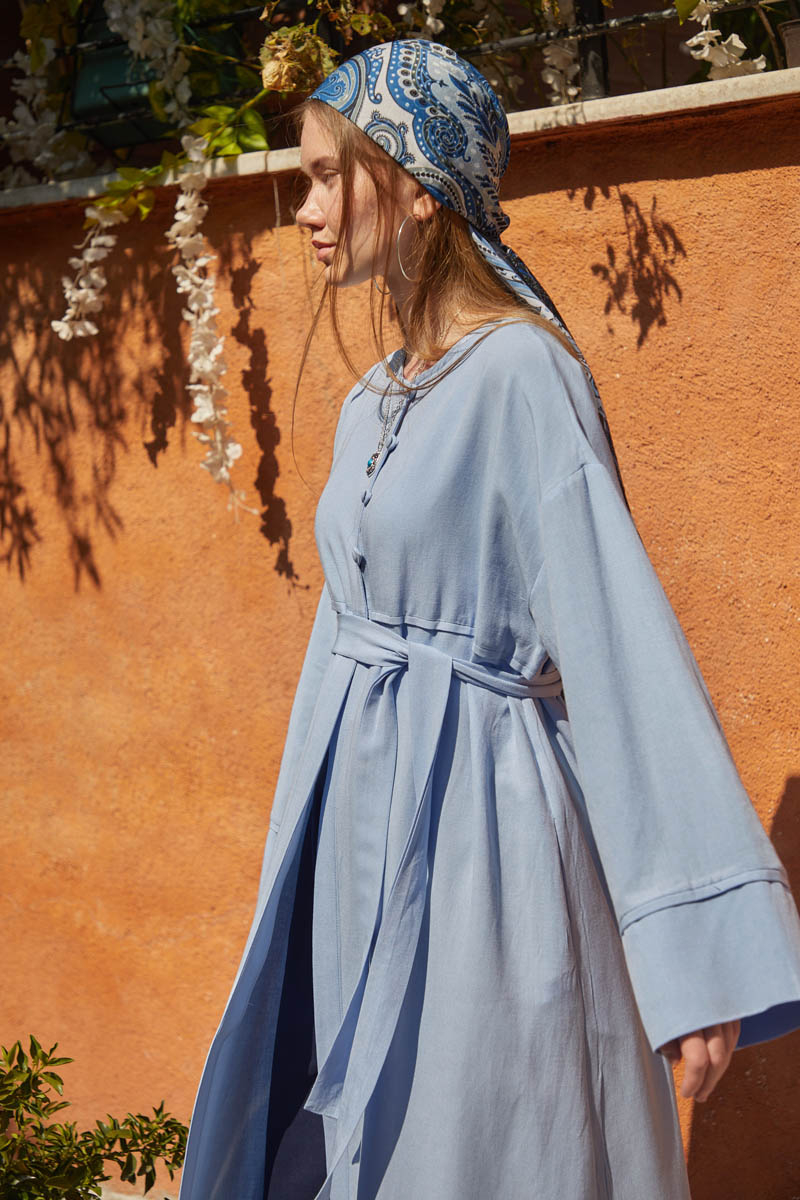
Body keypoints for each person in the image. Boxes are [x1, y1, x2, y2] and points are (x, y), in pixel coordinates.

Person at [179, 39, 800, 1200]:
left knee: (476, 1132)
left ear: (417, 186)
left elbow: (617, 642)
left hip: (486, 837)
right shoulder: (372, 401)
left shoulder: (521, 374)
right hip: (354, 828)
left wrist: (689, 959)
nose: (305, 210)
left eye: (326, 176)